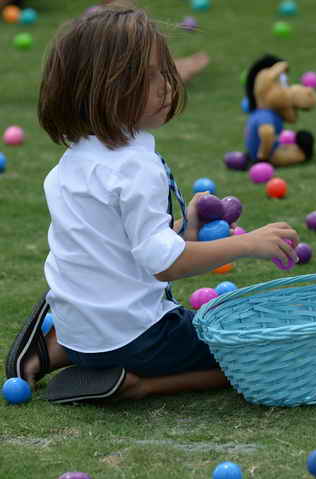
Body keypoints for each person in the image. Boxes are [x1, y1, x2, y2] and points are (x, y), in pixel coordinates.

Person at [5, 1, 299, 404]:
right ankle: (136, 384)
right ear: (103, 89)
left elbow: (118, 251)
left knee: (104, 321)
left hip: (82, 329)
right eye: (148, 76)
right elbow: (165, 265)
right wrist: (249, 244)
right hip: (138, 337)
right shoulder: (134, 166)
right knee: (258, 356)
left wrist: (185, 229)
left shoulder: (73, 160)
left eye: (164, 71)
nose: (166, 85)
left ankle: (55, 349)